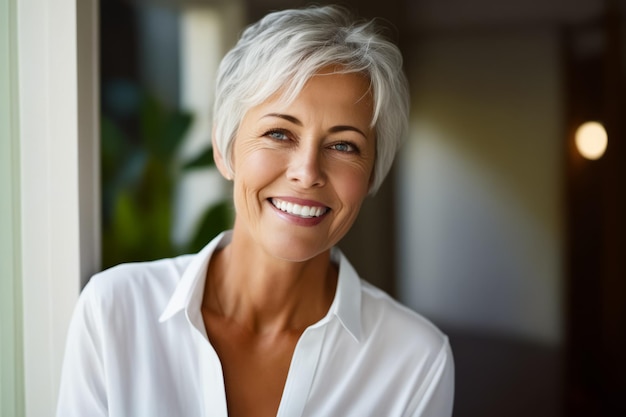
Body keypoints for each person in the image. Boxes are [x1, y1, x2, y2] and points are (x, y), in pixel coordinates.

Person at [57, 5, 454, 417]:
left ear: (372, 174)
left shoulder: (415, 361)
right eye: (279, 133)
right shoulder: (115, 311)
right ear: (224, 150)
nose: (307, 173)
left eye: (342, 145)